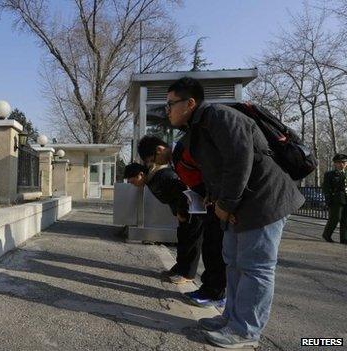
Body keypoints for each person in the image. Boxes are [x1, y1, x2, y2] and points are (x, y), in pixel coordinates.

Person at [166, 77, 304, 349]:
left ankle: (246, 330)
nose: (167, 110)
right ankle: (230, 319)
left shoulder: (218, 116)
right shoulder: (197, 128)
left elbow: (240, 159)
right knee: (234, 263)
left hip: (264, 201)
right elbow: (216, 172)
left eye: (171, 104)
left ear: (190, 103)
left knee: (256, 268)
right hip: (240, 205)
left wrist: (226, 204)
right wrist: (218, 202)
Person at [138, 135, 227, 308]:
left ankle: (215, 293)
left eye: (152, 160)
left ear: (159, 150)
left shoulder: (184, 151)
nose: (154, 164)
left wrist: (215, 198)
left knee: (213, 247)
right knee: (209, 246)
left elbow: (209, 173)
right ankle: (209, 289)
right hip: (204, 204)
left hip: (213, 204)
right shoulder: (177, 157)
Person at [124, 144, 201, 285]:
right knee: (183, 240)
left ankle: (187, 274)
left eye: (132, 180)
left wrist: (182, 212)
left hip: (193, 211)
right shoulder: (153, 178)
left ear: (140, 175)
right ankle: (179, 268)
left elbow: (182, 192)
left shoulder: (162, 176)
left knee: (191, 242)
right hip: (184, 212)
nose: (132, 184)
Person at [321, 153, 347, 244]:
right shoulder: (330, 174)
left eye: (344, 162)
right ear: (335, 164)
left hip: (346, 199)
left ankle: (344, 238)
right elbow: (326, 188)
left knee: (345, 220)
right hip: (336, 200)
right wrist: (328, 200)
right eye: (339, 162)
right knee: (335, 218)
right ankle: (327, 234)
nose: (342, 164)